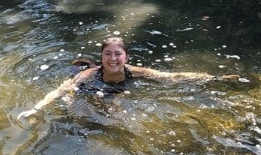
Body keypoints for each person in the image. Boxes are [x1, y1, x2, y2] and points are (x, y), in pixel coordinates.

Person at [17, 36, 238, 121]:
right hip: (91, 87)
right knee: (76, 113)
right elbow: (59, 91)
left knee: (115, 114)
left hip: (117, 88)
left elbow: (173, 77)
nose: (113, 59)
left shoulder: (135, 71)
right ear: (102, 57)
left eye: (117, 54)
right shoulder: (88, 75)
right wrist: (36, 109)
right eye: (107, 54)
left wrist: (215, 78)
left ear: (126, 56)